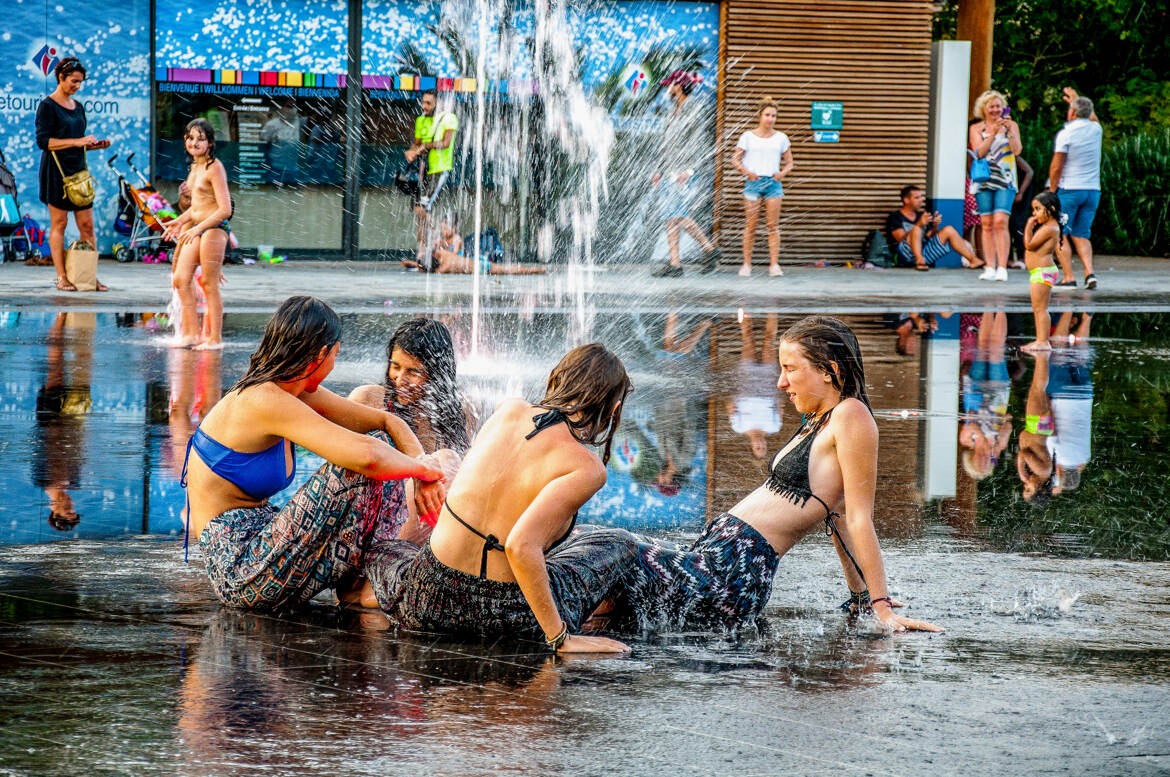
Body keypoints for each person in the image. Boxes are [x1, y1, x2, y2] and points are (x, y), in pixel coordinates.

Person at [615, 316, 944, 634]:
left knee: (613, 547)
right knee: (601, 550)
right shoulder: (819, 419)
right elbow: (839, 514)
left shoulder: (850, 415)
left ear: (829, 371)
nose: (780, 382)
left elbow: (859, 518)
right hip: (713, 560)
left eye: (790, 369)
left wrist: (881, 606)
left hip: (729, 575)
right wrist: (861, 598)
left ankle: (562, 637)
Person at [362, 344, 639, 654]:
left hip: (425, 598)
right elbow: (520, 546)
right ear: (613, 409)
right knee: (618, 542)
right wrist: (561, 639)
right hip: (507, 616)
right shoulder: (587, 467)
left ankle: (373, 595)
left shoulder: (509, 410)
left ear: (555, 378)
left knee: (388, 549)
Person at [182, 296, 445, 611]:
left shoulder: (290, 390)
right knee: (359, 464)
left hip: (264, 544)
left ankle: (357, 582)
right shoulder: (263, 399)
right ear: (321, 354)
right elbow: (367, 457)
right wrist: (424, 473)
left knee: (380, 444)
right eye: (335, 354)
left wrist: (421, 467)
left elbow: (387, 420)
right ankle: (362, 582)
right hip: (241, 571)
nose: (334, 361)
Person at [35, 57, 111, 292]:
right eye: (74, 81)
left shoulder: (78, 107)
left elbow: (77, 142)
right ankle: (61, 276)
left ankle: (88, 275)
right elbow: (44, 142)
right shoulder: (47, 106)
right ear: (61, 78)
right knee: (59, 223)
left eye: (80, 82)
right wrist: (78, 141)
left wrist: (93, 145)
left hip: (78, 172)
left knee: (87, 225)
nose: (78, 86)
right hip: (56, 172)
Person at [349, 318, 473, 456]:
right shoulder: (368, 400)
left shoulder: (461, 411)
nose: (400, 380)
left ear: (437, 374)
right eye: (395, 366)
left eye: (413, 372)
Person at [161, 119, 232, 350]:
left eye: (201, 139)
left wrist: (197, 228)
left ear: (210, 143)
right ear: (185, 140)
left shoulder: (215, 168)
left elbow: (224, 209)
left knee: (209, 282)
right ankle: (190, 334)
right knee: (181, 279)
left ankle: (215, 338)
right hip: (197, 228)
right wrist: (179, 221)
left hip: (213, 229)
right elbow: (198, 206)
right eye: (191, 138)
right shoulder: (194, 168)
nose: (195, 143)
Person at [650, 71, 720, 277]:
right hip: (670, 172)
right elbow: (666, 145)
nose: (667, 89)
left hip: (684, 174)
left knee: (678, 215)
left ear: (679, 86)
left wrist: (689, 171)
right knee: (671, 218)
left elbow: (698, 143)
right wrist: (659, 171)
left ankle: (709, 248)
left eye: (670, 85)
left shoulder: (693, 110)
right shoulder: (673, 111)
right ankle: (675, 264)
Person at [732, 97, 793, 277]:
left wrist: (782, 173)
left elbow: (790, 162)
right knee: (750, 226)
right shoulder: (747, 137)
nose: (770, 119)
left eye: (773, 116)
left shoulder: (781, 138)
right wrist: (747, 172)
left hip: (773, 184)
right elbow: (734, 159)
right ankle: (746, 264)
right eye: (767, 115)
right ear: (760, 115)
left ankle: (774, 265)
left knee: (772, 226)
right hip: (753, 183)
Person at [1048, 91, 1102, 290]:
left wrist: (1052, 191)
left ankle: (1068, 277)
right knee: (1081, 234)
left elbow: (1056, 166)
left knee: (1059, 233)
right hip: (1093, 190)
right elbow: (1092, 116)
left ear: (1071, 113)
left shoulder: (1066, 133)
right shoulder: (1096, 129)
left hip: (1070, 189)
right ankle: (1089, 273)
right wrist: (1077, 100)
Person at [968, 90, 1022, 282]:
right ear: (983, 108)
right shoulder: (976, 128)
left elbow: (1017, 151)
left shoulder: (1012, 125)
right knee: (987, 223)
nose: (995, 109)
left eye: (998, 106)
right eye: (991, 106)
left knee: (1000, 221)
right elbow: (979, 153)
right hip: (984, 179)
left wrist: (1008, 131)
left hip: (1005, 178)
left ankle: (1002, 266)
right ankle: (989, 266)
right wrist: (991, 134)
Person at [404, 91, 458, 261]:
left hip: (440, 170)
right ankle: (422, 251)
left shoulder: (449, 118)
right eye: (423, 102)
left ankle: (443, 236)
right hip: (423, 170)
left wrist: (427, 146)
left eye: (428, 103)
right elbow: (417, 144)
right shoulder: (421, 120)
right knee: (419, 211)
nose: (424, 106)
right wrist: (411, 152)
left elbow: (446, 143)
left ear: (438, 104)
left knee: (422, 209)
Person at [404, 218, 547, 275]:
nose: (442, 231)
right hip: (477, 262)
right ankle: (536, 270)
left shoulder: (443, 268)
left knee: (509, 270)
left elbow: (430, 269)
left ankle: (536, 270)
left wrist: (417, 265)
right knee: (509, 270)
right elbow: (435, 253)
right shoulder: (445, 255)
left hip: (479, 267)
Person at [885, 185, 980, 271]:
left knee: (949, 229)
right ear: (906, 200)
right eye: (916, 198)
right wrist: (919, 225)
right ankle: (919, 260)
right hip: (904, 256)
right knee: (916, 229)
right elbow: (900, 238)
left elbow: (929, 236)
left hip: (924, 254)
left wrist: (935, 227)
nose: (921, 200)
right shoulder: (896, 216)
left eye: (921, 197)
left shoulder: (921, 215)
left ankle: (973, 260)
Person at [727, 312, 782, 459]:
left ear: (751, 447)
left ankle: (743, 308)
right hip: (767, 379)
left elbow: (731, 405)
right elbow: (780, 404)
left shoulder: (738, 427)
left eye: (758, 448)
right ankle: (772, 308)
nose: (761, 445)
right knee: (769, 340)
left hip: (747, 379)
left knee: (748, 339)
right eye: (764, 447)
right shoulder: (774, 427)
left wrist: (740, 388)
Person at [1021, 192, 1063, 352]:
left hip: (1043, 271)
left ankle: (1043, 341)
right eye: (1033, 209)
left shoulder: (1050, 228)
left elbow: (1030, 245)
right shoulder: (1047, 227)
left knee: (1041, 309)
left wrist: (1028, 227)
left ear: (1050, 209)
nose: (1034, 213)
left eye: (1038, 209)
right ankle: (1040, 339)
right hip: (1039, 271)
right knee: (1038, 308)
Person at [1017, 351, 1054, 506]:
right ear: (1040, 489)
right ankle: (1043, 354)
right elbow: (1024, 454)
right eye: (1028, 489)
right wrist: (1021, 471)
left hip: (1038, 427)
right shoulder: (1043, 471)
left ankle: (1042, 357)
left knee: (1038, 389)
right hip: (1037, 427)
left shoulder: (1042, 471)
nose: (1025, 484)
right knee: (1038, 388)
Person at [261, 99, 302, 186]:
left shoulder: (300, 122)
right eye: (289, 106)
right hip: (276, 169)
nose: (292, 109)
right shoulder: (271, 125)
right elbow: (263, 146)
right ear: (282, 108)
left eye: (294, 107)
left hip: (294, 170)